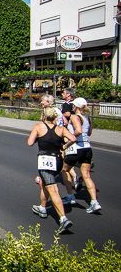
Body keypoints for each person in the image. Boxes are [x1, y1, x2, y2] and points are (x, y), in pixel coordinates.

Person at [28, 106, 77, 234]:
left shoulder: (38, 127)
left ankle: (63, 219)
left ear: (44, 117)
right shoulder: (61, 129)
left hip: (45, 161)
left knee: (53, 188)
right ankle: (43, 207)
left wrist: (39, 137)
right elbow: (74, 138)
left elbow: (30, 142)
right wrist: (64, 145)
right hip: (58, 160)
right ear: (55, 117)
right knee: (45, 182)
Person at [61, 98, 101, 214]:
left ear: (76, 107)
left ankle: (70, 195)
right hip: (87, 147)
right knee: (87, 176)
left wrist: (69, 139)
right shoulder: (87, 118)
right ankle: (94, 201)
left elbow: (78, 131)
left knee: (65, 170)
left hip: (76, 147)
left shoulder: (74, 117)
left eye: (73, 106)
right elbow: (89, 133)